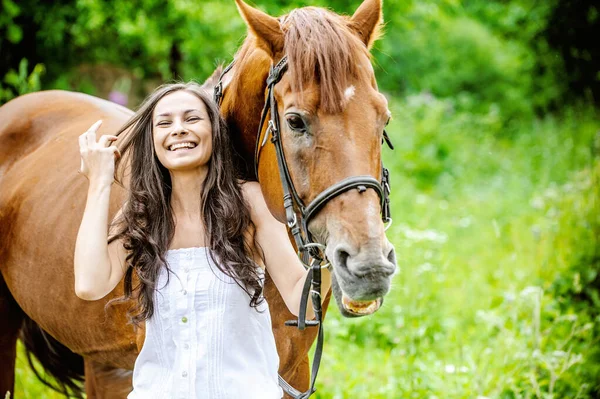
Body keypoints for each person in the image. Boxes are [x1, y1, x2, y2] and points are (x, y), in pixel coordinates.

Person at [73, 82, 331, 398]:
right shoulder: (142, 213)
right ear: (152, 140)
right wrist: (98, 183)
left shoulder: (249, 205)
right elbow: (89, 283)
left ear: (214, 132)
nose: (178, 130)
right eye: (165, 123)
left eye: (192, 119)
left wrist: (332, 254)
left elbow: (301, 302)